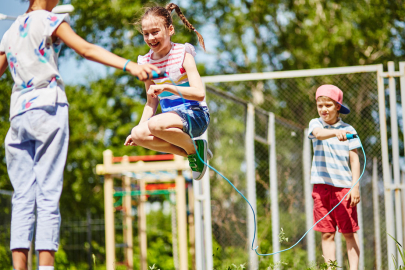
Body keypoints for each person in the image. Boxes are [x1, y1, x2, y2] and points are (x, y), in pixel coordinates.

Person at [0, 0, 159, 269]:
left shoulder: (10, 31)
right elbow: (85, 49)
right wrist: (129, 66)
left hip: (18, 116)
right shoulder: (49, 20)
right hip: (48, 107)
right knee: (48, 192)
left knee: (22, 196)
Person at [124, 3, 212, 180]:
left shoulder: (183, 53)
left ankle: (194, 150)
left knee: (155, 125)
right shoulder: (145, 62)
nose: (150, 38)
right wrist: (139, 129)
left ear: (170, 29)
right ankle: (193, 152)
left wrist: (167, 87)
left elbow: (199, 93)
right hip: (170, 122)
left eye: (155, 32)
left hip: (195, 115)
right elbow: (151, 102)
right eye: (146, 33)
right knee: (138, 133)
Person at [308, 84, 361, 270]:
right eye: (320, 105)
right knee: (327, 233)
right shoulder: (315, 123)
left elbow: (354, 160)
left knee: (349, 233)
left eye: (328, 105)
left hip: (344, 188)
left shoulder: (349, 129)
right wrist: (334, 133)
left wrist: (355, 186)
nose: (323, 109)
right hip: (321, 188)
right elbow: (318, 134)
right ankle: (331, 268)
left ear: (338, 106)